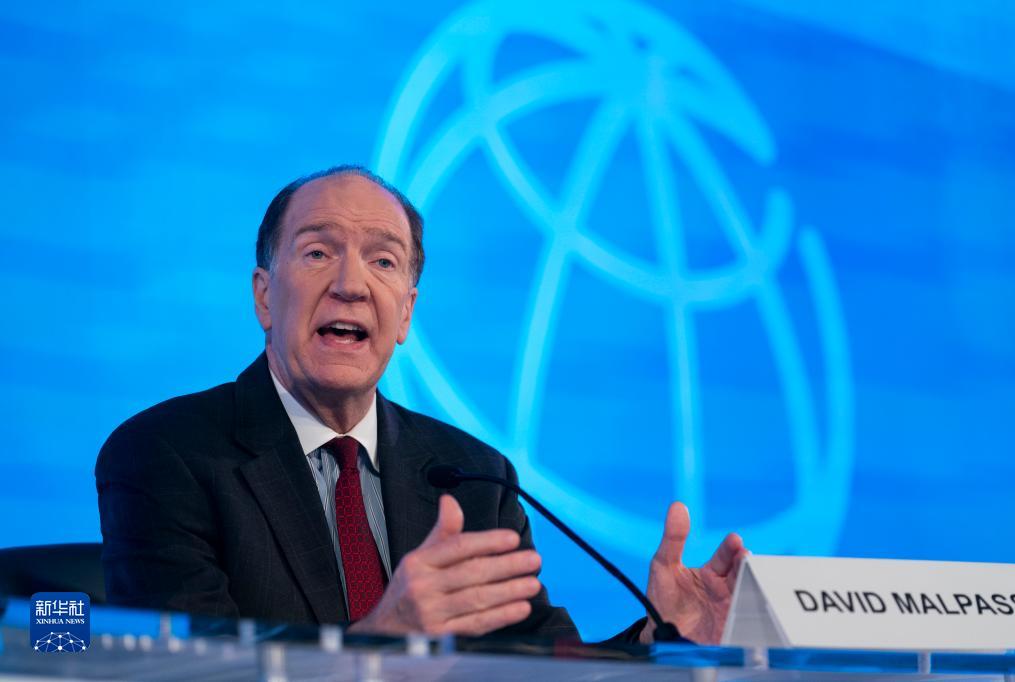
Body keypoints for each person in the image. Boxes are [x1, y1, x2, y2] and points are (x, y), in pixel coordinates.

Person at [96, 165, 747, 642]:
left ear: (405, 313)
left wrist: (660, 637)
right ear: (264, 296)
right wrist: (383, 642)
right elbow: (188, 670)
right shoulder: (167, 455)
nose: (350, 285)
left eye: (382, 262)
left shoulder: (474, 478)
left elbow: (543, 665)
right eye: (318, 252)